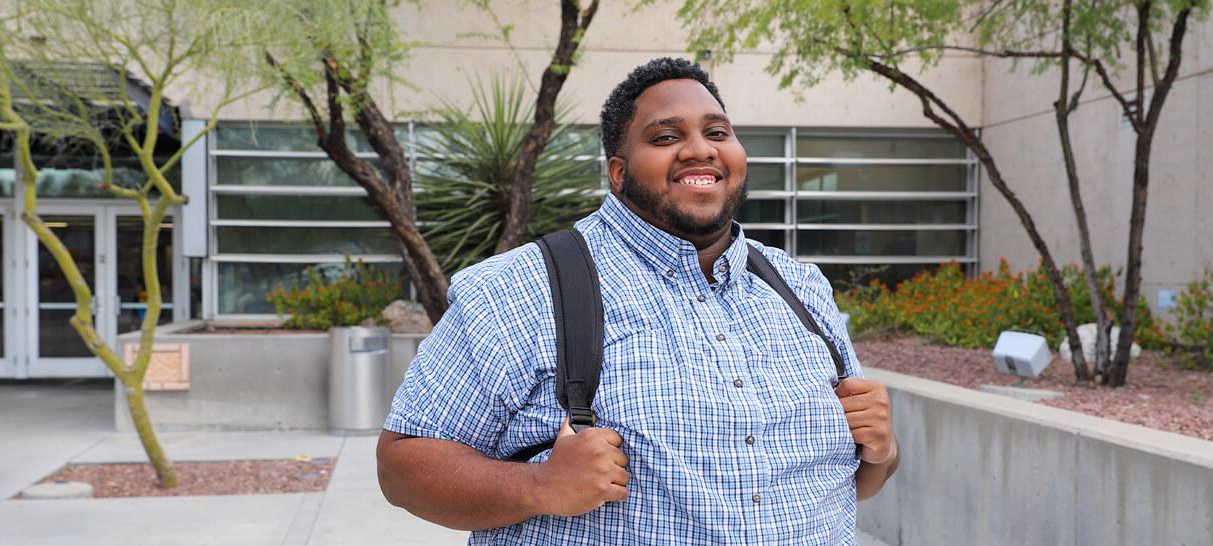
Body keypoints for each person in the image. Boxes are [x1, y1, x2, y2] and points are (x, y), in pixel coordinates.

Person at [376, 57, 898, 544]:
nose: (701, 149)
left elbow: (857, 483)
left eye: (717, 132)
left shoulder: (799, 287)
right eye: (667, 136)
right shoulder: (519, 289)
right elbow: (401, 467)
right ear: (619, 172)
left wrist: (882, 452)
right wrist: (539, 487)